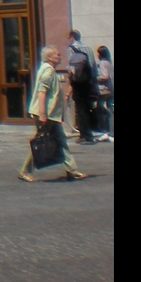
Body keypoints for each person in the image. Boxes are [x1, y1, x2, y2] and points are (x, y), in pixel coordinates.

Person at [19, 45, 88, 183]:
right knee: (41, 140)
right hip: (46, 115)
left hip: (52, 115)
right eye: (57, 54)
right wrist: (43, 114)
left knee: (61, 141)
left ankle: (71, 170)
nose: (60, 56)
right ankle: (25, 171)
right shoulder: (48, 72)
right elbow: (42, 92)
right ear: (50, 57)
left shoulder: (48, 70)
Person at [65, 30, 97, 143]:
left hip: (78, 83)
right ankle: (90, 133)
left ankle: (84, 134)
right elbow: (93, 66)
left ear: (72, 37)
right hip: (88, 82)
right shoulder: (88, 48)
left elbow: (71, 68)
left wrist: (70, 80)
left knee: (80, 109)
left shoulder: (71, 49)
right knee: (88, 108)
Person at [93, 46, 114, 142]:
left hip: (103, 90)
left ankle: (105, 131)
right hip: (111, 89)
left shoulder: (102, 63)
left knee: (101, 110)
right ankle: (111, 132)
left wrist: (96, 78)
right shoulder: (109, 62)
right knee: (110, 110)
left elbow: (105, 76)